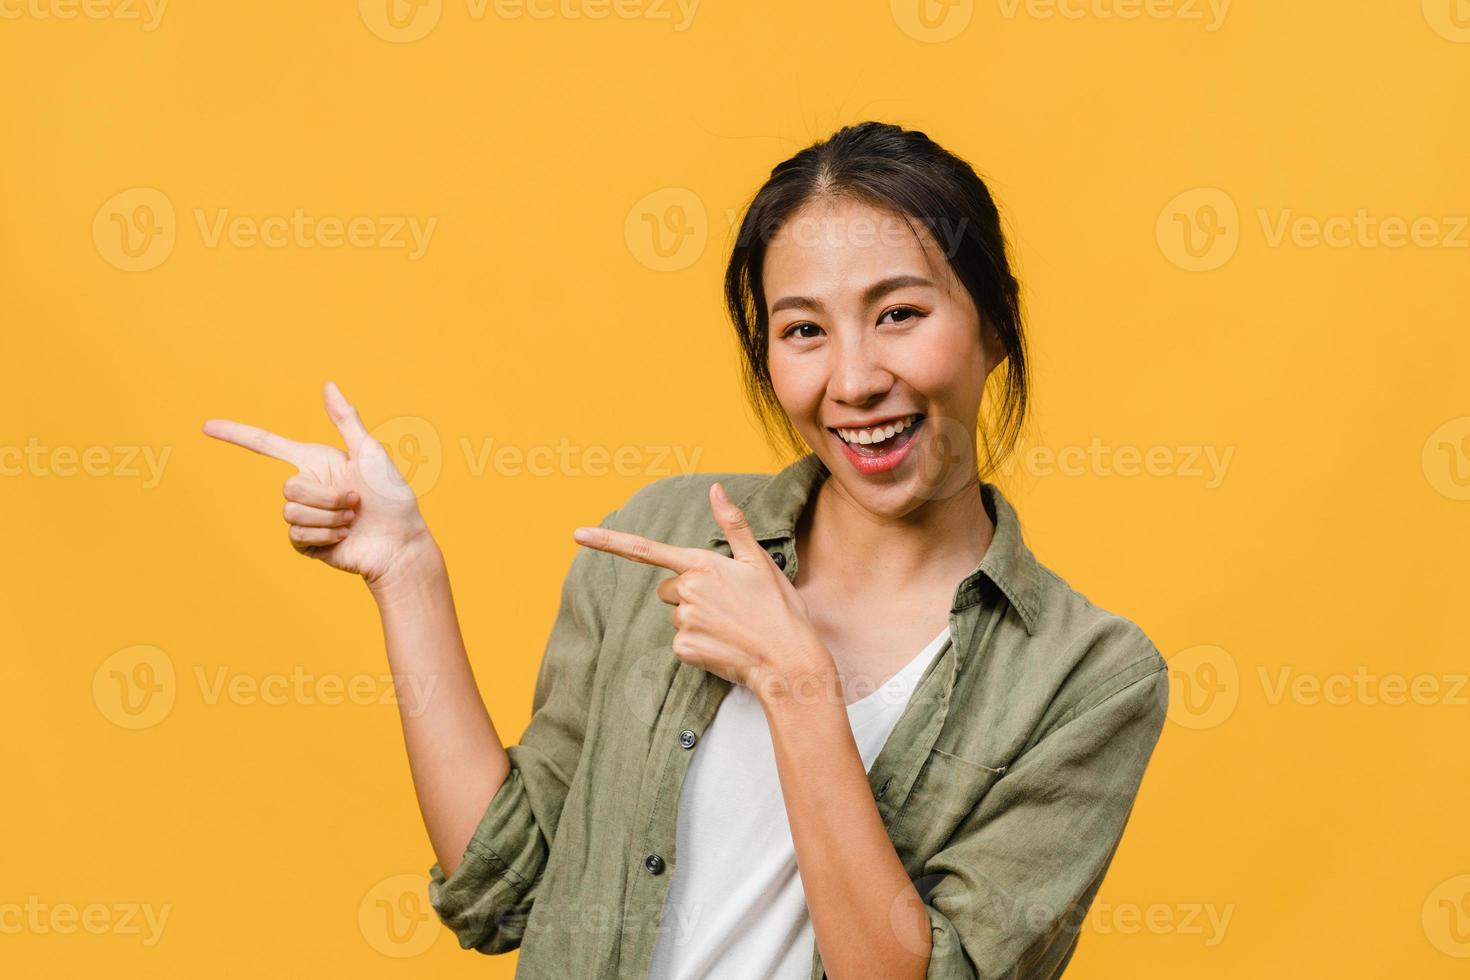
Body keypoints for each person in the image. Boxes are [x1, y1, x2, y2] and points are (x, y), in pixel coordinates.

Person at [203, 120, 1169, 979]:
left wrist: (795, 683)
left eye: (900, 314)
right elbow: (501, 883)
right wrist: (404, 570)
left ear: (994, 325)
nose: (854, 379)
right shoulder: (667, 538)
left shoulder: (1089, 677)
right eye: (802, 331)